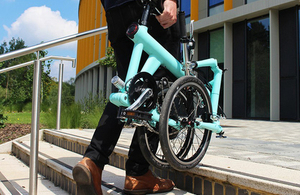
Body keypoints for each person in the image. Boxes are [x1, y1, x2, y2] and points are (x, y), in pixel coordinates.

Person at [72, 0, 180, 194]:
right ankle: (138, 172)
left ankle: (92, 161)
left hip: (115, 12)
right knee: (161, 86)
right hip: (149, 7)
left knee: (128, 88)